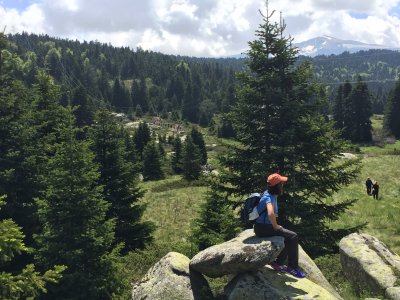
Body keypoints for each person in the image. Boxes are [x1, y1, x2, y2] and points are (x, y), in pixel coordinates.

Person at [253, 173, 306, 278]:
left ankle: (278, 263)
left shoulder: (269, 194)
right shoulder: (269, 198)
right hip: (263, 228)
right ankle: (292, 267)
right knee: (293, 236)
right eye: (281, 184)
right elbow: (271, 213)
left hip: (261, 227)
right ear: (277, 186)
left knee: (286, 236)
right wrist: (276, 226)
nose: (283, 185)